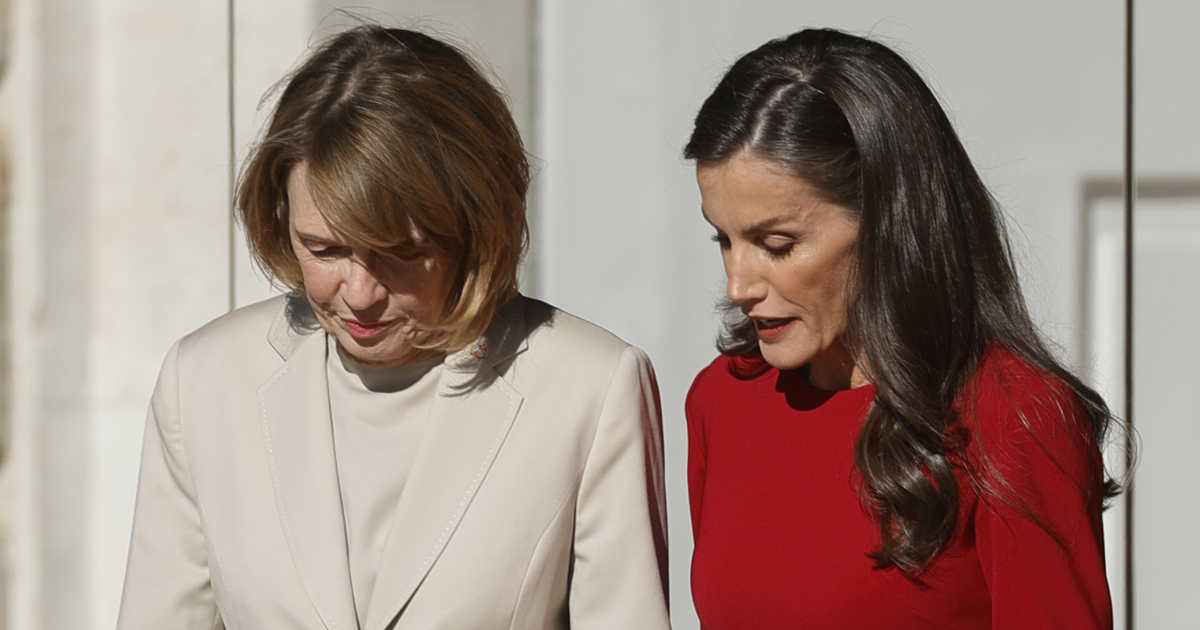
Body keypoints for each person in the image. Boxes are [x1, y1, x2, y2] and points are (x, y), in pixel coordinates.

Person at [117, 25, 669, 630]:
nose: (359, 293)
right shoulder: (203, 382)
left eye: (399, 252)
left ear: (474, 223)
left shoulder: (590, 388)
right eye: (323, 249)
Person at [683, 28, 1118, 628]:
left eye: (776, 244)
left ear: (889, 221)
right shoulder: (724, 398)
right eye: (723, 239)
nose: (739, 285)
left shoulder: (1013, 415)